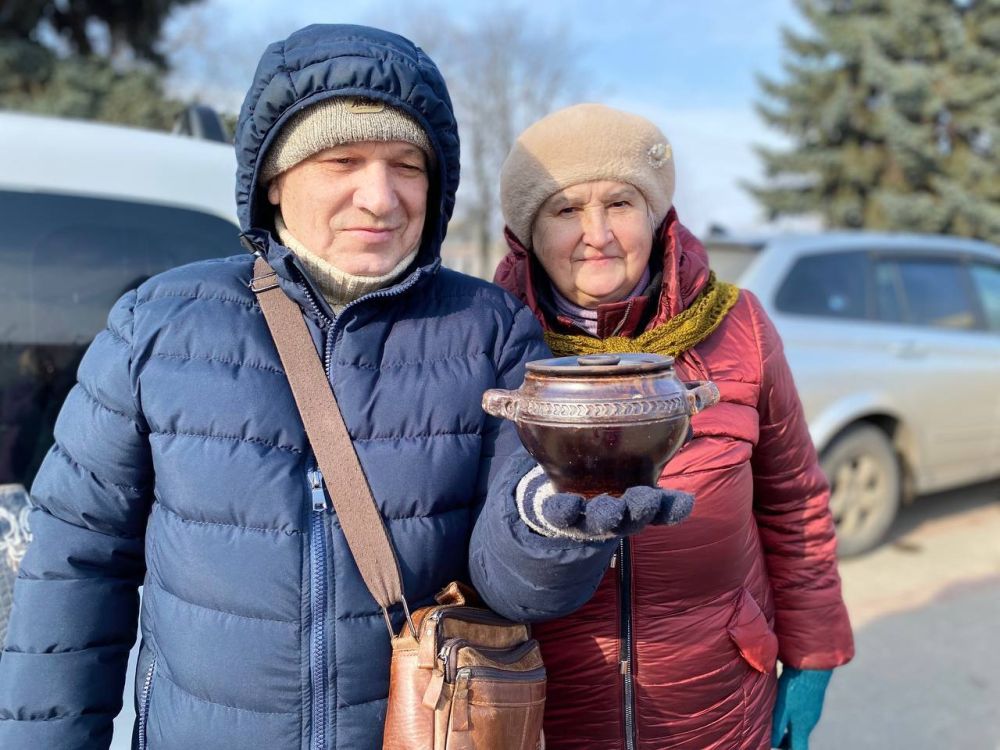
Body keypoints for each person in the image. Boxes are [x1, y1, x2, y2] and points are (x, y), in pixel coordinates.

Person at [0, 28, 695, 750]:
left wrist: (557, 517)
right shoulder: (161, 323)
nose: (381, 196)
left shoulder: (488, 329)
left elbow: (514, 583)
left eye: (406, 165)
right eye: (343, 160)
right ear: (274, 178)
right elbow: (75, 566)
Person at [494, 103, 855, 750]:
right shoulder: (492, 342)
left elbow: (794, 498)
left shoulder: (737, 326)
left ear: (657, 216)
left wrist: (813, 655)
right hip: (552, 712)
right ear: (527, 231)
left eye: (622, 203)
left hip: (721, 699)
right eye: (566, 209)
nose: (597, 233)